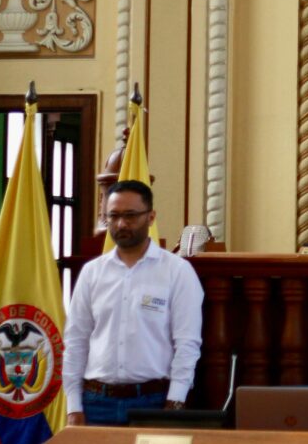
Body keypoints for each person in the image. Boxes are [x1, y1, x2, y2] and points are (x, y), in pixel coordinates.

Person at [63, 180, 204, 426]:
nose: (121, 224)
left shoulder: (177, 272)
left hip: (154, 402)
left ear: (150, 217)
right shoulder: (92, 272)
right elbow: (76, 341)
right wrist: (73, 406)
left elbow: (187, 344)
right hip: (95, 403)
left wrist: (175, 402)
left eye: (130, 216)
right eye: (113, 216)